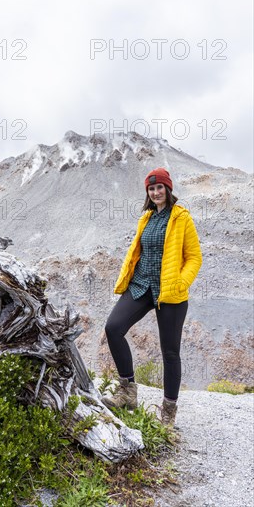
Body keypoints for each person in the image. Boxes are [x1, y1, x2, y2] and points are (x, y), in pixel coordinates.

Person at [103, 167, 203, 428]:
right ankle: (127, 391)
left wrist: (181, 282)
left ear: (168, 189)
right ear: (147, 192)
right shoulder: (145, 219)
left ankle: (168, 412)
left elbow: (194, 257)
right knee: (113, 328)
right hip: (141, 286)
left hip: (170, 292)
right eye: (151, 188)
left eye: (160, 187)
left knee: (170, 352)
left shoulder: (182, 218)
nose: (156, 192)